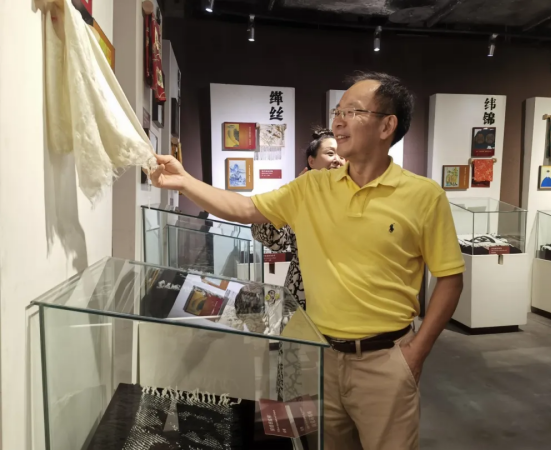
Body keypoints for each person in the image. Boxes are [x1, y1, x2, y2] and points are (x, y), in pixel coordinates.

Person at [150, 71, 465, 450]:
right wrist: (185, 181)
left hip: (386, 361)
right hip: (321, 358)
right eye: (338, 111)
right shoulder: (313, 186)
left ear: (387, 126)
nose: (339, 121)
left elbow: (450, 278)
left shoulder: (423, 196)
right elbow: (245, 208)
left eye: (353, 111)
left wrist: (417, 352)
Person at [251, 127, 345, 309]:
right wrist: (292, 192)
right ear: (311, 161)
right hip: (304, 286)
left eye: (342, 156)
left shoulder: (354, 196)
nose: (337, 160)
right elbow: (275, 242)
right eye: (330, 153)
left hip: (344, 289)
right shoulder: (298, 196)